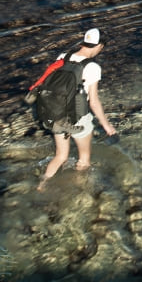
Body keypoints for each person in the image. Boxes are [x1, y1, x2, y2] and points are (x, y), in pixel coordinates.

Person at [38, 28, 116, 189]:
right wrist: (106, 125)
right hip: (78, 118)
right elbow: (93, 102)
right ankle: (78, 193)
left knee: (60, 156)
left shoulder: (62, 57)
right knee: (84, 159)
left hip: (56, 113)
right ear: (99, 46)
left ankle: (41, 185)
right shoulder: (92, 67)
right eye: (102, 47)